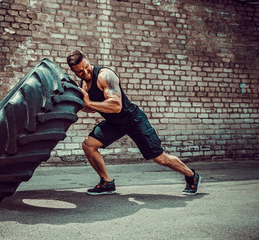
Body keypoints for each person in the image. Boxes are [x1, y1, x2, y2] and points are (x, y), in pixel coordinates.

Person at [66, 50, 201, 196]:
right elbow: (90, 109)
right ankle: (107, 183)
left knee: (159, 157)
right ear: (73, 71)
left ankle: (191, 175)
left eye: (86, 67)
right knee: (89, 145)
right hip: (114, 123)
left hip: (133, 120)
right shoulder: (85, 85)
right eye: (80, 72)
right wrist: (79, 102)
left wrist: (89, 103)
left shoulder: (105, 76)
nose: (85, 73)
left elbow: (116, 106)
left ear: (88, 59)